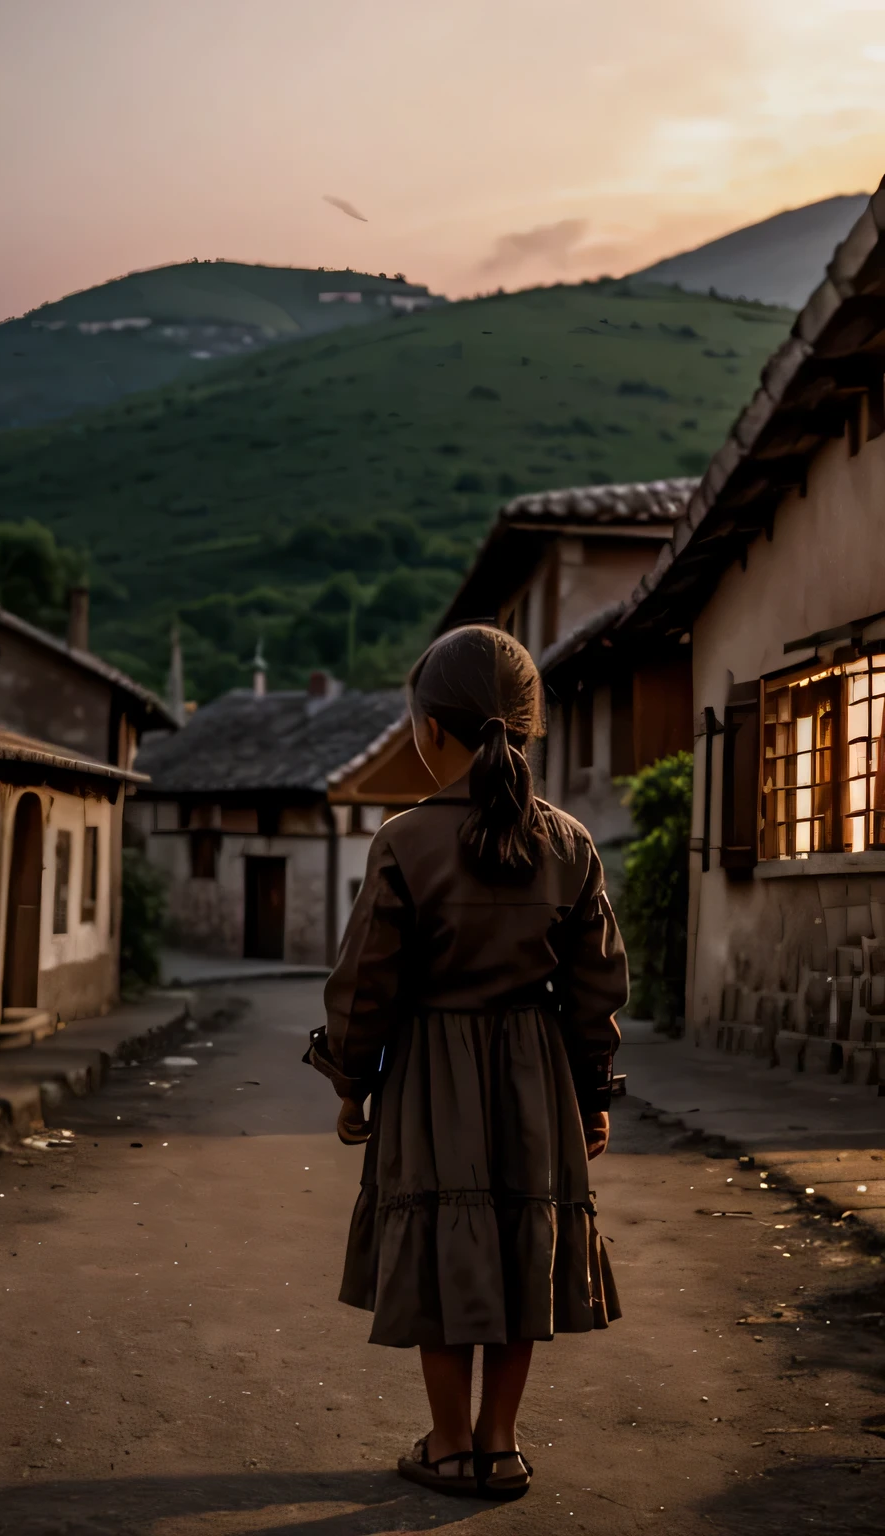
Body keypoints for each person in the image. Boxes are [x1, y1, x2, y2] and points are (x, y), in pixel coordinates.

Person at [305, 624, 628, 1501]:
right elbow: (598, 985)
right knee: (522, 1236)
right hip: (537, 1070)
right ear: (526, 730)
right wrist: (594, 1092)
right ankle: (500, 1442)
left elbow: (364, 981)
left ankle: (447, 1445)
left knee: (443, 1241)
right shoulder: (570, 843)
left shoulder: (404, 841)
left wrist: (351, 1083)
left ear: (429, 730)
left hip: (429, 1072)